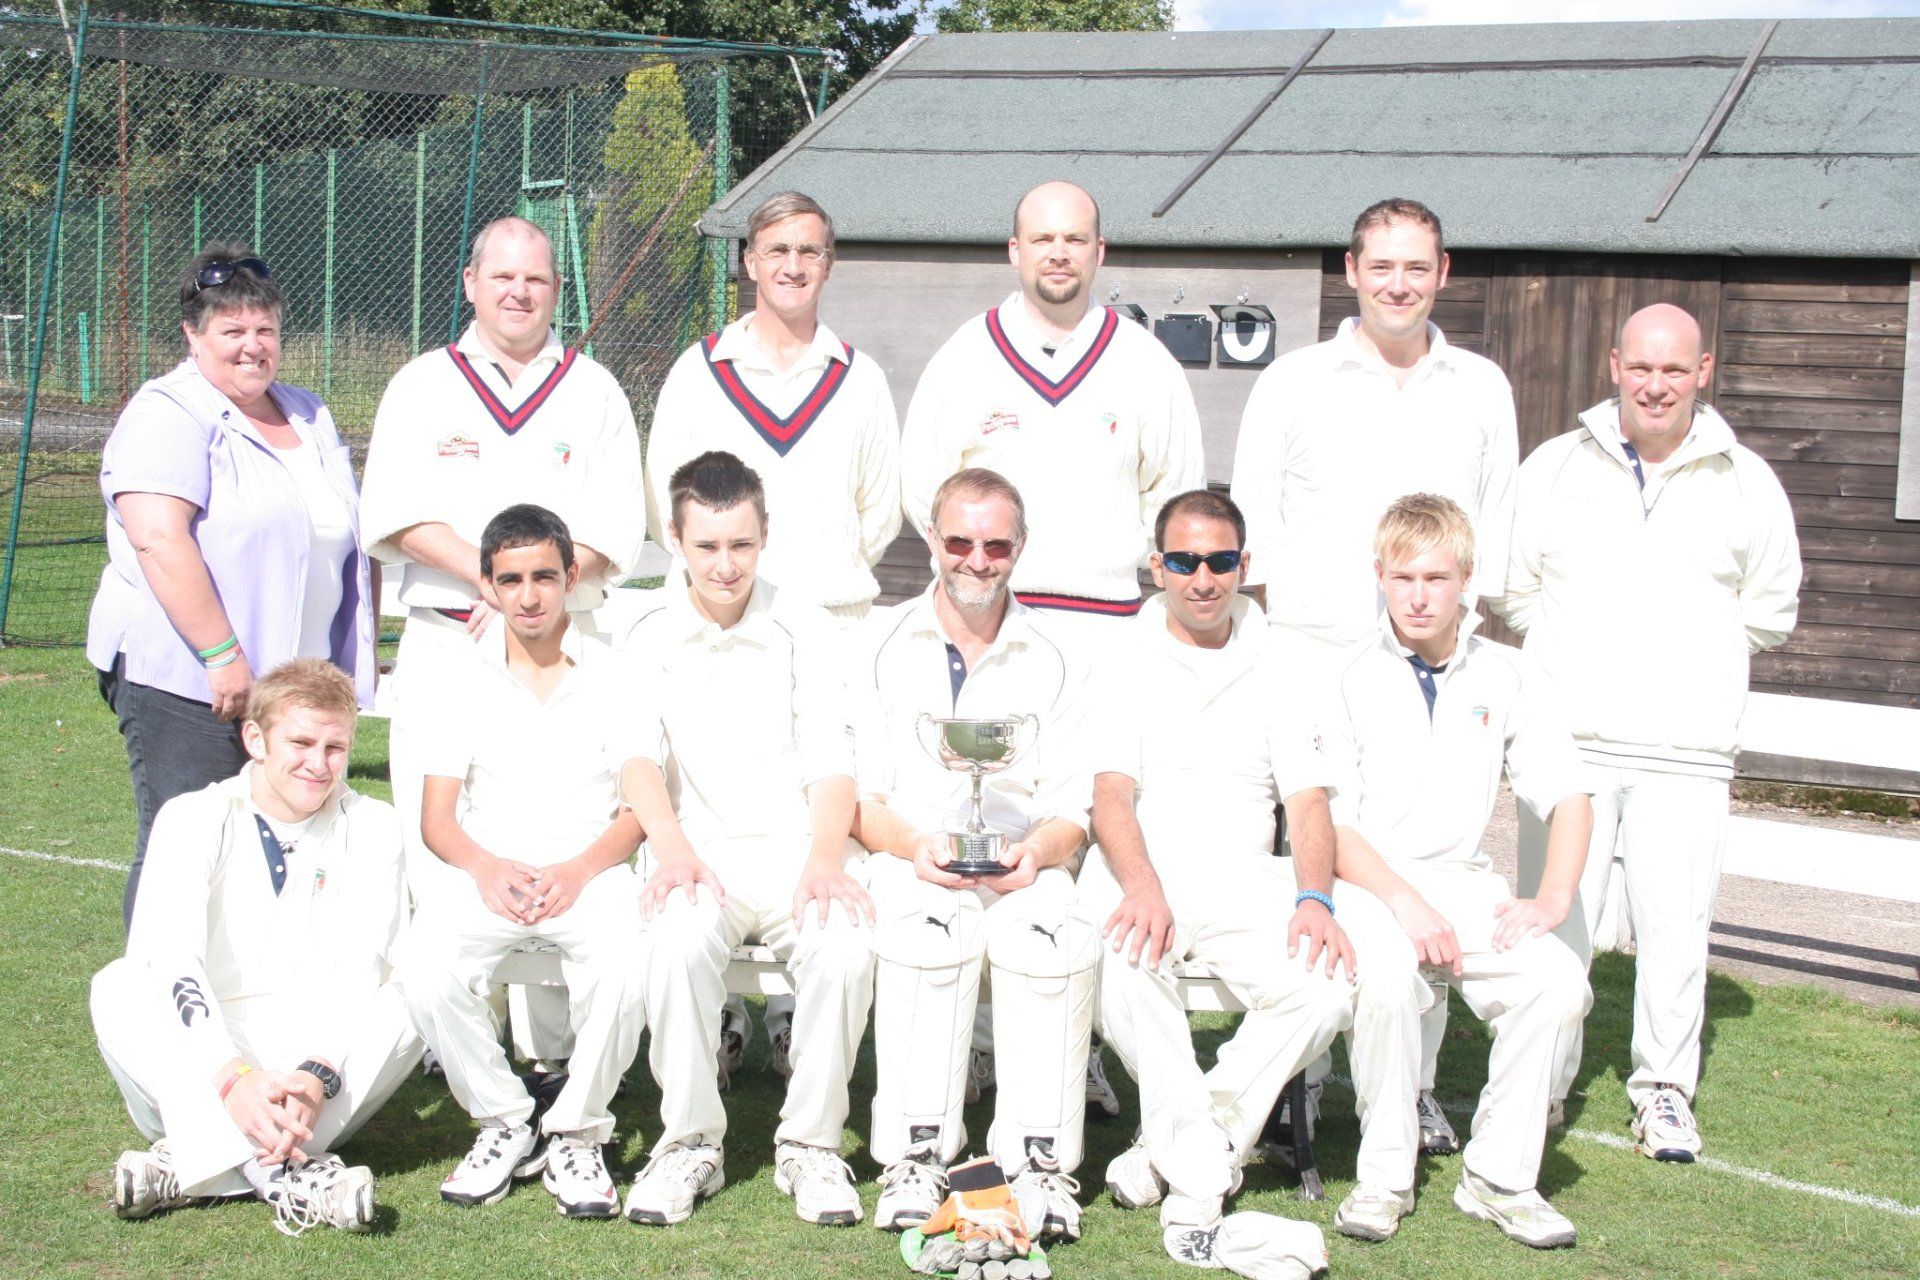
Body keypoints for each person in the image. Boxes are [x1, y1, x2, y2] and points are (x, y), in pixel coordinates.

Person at [1229, 197, 1519, 1152]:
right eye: (1382, 266)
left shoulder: (1481, 387)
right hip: (1314, 659)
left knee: (1417, 868)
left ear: (1443, 274)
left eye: (1417, 267)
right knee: (1311, 865)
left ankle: (1412, 1086)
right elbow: (1254, 527)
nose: (1400, 284)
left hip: (1424, 665)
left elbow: (1493, 528)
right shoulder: (1294, 381)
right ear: (1351, 271)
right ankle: (1297, 1085)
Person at [1084, 490, 1422, 1269]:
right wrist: (1143, 888)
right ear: (1156, 567)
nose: (1202, 579)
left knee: (1325, 988)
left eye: (1219, 561)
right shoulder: (1121, 654)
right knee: (1125, 968)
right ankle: (1204, 1170)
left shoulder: (1285, 660)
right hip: (1139, 872)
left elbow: (1307, 802)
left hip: (1246, 877)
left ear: (1244, 564)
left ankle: (1176, 1151)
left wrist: (1315, 899)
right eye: (1184, 561)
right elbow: (1111, 797)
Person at [1500, 303, 1801, 1162]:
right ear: (1614, 365)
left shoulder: (1746, 481)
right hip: (1571, 749)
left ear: (1704, 371)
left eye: (1675, 369)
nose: (1656, 384)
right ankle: (1539, 1085)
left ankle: (1663, 1092)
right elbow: (1516, 590)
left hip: (1687, 754)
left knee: (1676, 932)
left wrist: (1688, 669)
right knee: (1555, 925)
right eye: (1641, 366)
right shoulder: (1557, 466)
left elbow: (1769, 612)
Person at [359, 214, 644, 1073]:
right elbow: (395, 513)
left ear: (557, 290)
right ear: (471, 283)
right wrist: (494, 584)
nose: (519, 293)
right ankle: (453, 1042)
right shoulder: (421, 384)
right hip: (447, 641)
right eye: (503, 277)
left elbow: (616, 528)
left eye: (536, 279)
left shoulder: (594, 389)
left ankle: (552, 1054)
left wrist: (534, 606)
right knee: (439, 842)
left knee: (555, 834)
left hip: (559, 657)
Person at [644, 190, 898, 1084]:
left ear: (830, 263)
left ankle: (796, 1016)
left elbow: (879, 513)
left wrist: (810, 594)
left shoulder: (859, 378)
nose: (792, 265)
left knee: (820, 819)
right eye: (776, 250)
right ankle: (717, 1015)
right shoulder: (698, 370)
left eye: (810, 250)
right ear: (749, 261)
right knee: (715, 810)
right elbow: (667, 498)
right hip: (722, 628)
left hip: (831, 628)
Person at [1323, 493, 1593, 1248]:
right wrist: (1407, 906)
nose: (1418, 597)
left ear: (1466, 580)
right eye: (1403, 577)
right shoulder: (1345, 675)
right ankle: (1385, 1178)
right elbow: (1332, 826)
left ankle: (1498, 1178)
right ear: (1379, 576)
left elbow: (1570, 796)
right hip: (1369, 884)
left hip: (1466, 883)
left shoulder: (1508, 673)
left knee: (1557, 983)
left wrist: (1551, 900)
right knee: (1386, 981)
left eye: (1436, 579)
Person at [617, 451, 876, 1227]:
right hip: (699, 854)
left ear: (765, 537)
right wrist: (673, 852)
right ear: (675, 538)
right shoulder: (646, 630)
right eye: (706, 546)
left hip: (798, 852)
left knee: (845, 946)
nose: (724, 565)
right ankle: (691, 1143)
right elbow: (636, 760)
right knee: (675, 942)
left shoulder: (806, 623)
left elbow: (832, 759)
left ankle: (812, 1145)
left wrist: (824, 860)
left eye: (741, 544)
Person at [88, 245, 378, 928]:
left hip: (295, 685)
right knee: (186, 846)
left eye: (266, 329)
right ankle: (161, 993)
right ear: (193, 335)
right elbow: (159, 539)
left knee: (274, 853)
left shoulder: (308, 413)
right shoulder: (167, 412)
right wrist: (222, 656)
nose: (253, 346)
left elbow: (343, 533)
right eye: (233, 330)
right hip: (196, 683)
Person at [848, 468, 1097, 1242]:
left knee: (1053, 940)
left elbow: (1074, 809)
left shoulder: (1059, 653)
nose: (977, 561)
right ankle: (915, 1156)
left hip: (1023, 858)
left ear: (1020, 547)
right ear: (932, 539)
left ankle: (1041, 1164)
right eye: (960, 542)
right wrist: (915, 846)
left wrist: (1034, 854)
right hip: (909, 854)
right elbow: (861, 800)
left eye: (996, 545)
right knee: (932, 932)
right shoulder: (879, 642)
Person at [90, 659, 420, 1236]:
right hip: (203, 1060)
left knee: (420, 986)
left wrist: (317, 1072)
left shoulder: (374, 824)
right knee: (118, 984)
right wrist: (232, 1080)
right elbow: (173, 961)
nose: (319, 764)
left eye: (335, 748)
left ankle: (190, 1164)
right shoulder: (193, 816)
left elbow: (364, 967)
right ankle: (289, 1176)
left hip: (312, 1074)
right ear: (255, 739)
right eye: (301, 743)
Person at [394, 505, 648, 1218]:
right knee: (422, 968)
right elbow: (437, 820)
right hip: (491, 876)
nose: (529, 595)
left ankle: (577, 1131)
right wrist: (487, 868)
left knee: (627, 967)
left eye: (543, 576)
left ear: (571, 576)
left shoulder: (617, 673)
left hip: (591, 874)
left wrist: (577, 871)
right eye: (510, 580)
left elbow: (636, 813)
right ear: (488, 584)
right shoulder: (458, 676)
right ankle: (505, 1120)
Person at [899, 180, 1205, 630]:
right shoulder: (964, 356)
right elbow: (922, 486)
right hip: (986, 619)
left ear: (1099, 251)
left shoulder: (1146, 362)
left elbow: (1177, 495)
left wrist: (1118, 557)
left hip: (1107, 623)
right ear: (1015, 250)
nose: (1058, 253)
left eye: (1075, 239)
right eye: (1042, 238)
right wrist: (977, 564)